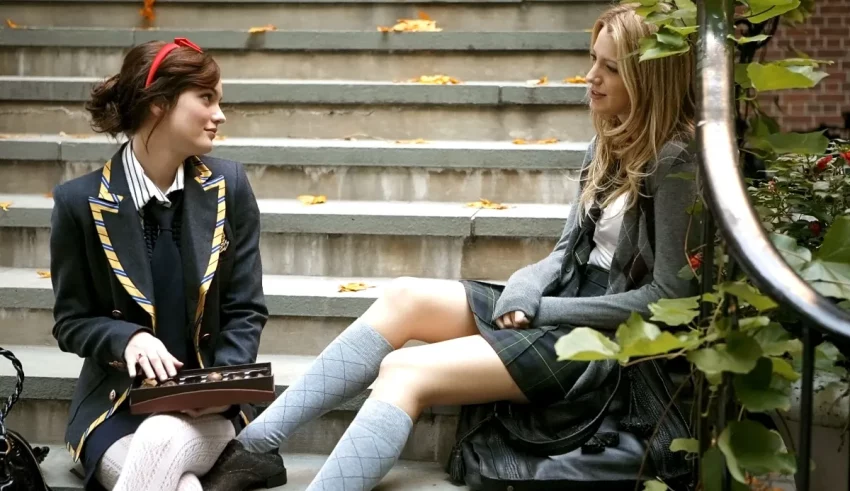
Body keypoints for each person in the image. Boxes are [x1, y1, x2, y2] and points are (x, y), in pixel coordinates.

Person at [202, 3, 698, 490]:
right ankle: (257, 446)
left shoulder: (675, 160)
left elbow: (667, 297)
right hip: (566, 301)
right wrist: (525, 286)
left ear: (648, 79)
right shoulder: (610, 141)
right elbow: (565, 250)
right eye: (592, 59)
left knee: (406, 371)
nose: (591, 76)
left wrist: (546, 309)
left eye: (610, 68)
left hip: (606, 342)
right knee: (404, 298)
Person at [49, 38, 285, 491]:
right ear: (159, 104)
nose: (220, 114)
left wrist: (218, 387)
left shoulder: (229, 186)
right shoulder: (79, 202)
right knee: (182, 484)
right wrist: (127, 338)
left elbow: (245, 309)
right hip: (118, 409)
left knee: (161, 440)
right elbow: (71, 322)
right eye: (206, 98)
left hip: (210, 411)